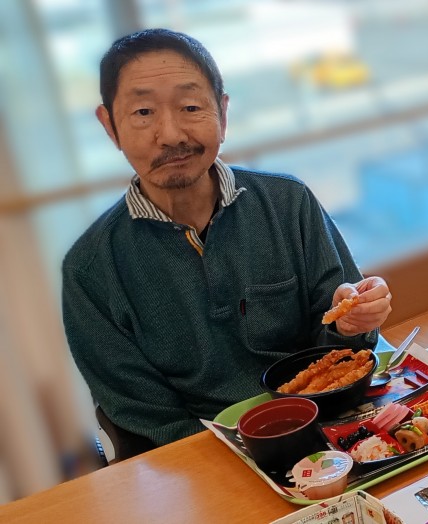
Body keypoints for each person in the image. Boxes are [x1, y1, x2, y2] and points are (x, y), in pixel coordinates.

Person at [62, 29, 392, 447]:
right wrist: (238, 459)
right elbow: (146, 417)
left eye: (190, 106)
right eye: (143, 112)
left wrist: (352, 322)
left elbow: (346, 350)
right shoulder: (90, 269)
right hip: (202, 454)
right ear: (110, 126)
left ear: (222, 112)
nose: (171, 134)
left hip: (324, 425)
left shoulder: (288, 203)